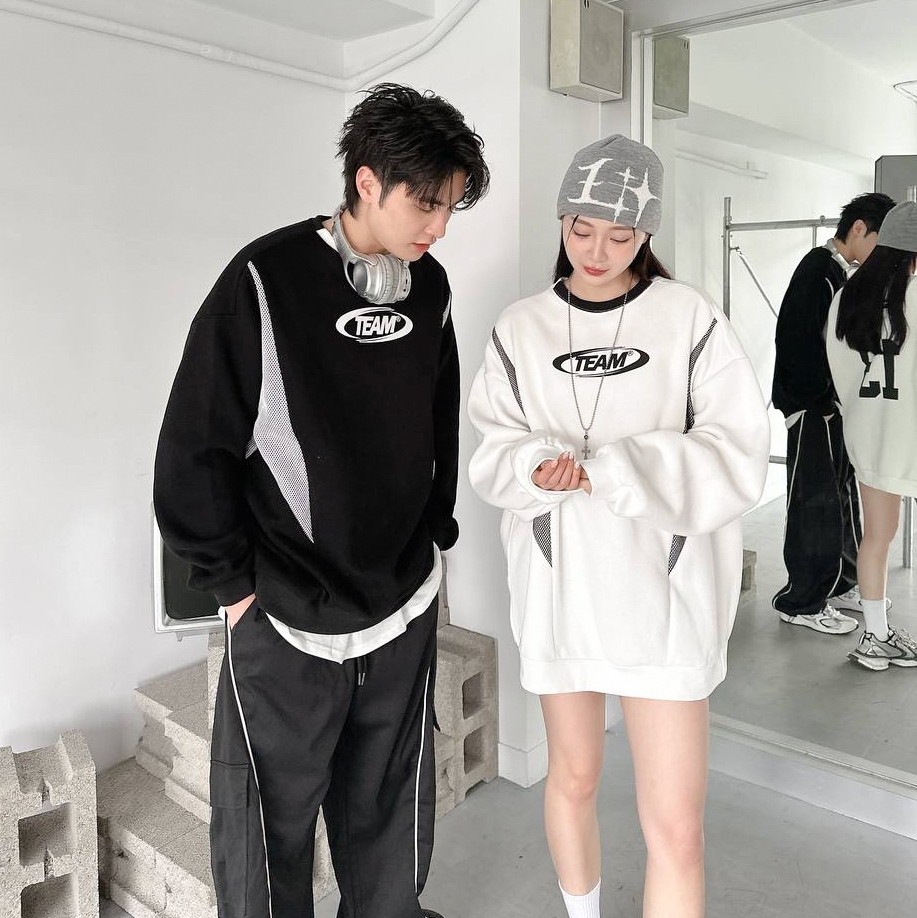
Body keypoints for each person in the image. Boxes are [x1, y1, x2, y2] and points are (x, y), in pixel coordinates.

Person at [153, 83, 489, 918]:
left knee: (389, 808)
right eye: (426, 203)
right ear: (366, 182)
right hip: (283, 609)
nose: (439, 227)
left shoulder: (430, 287)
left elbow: (438, 417)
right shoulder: (264, 279)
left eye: (450, 207)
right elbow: (193, 448)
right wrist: (231, 586)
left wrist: (435, 529)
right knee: (268, 830)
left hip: (401, 601)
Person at [467, 135, 769, 918]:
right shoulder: (520, 328)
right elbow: (490, 449)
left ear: (646, 233)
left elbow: (738, 451)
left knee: (677, 829)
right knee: (571, 780)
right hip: (560, 589)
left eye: (620, 235)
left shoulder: (687, 317)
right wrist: (534, 465)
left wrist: (614, 469)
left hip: (661, 598)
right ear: (561, 220)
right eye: (581, 229)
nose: (596, 251)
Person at [771, 192, 895, 634]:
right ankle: (801, 601)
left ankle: (841, 583)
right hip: (813, 408)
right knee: (815, 503)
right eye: (879, 242)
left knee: (840, 497)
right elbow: (796, 343)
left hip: (831, 407)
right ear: (859, 228)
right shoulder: (816, 271)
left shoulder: (837, 273)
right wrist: (820, 401)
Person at [826, 200, 917, 670]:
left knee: (876, 537)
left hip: (870, 433)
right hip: (910, 434)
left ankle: (875, 637)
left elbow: (839, 370)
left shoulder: (848, 294)